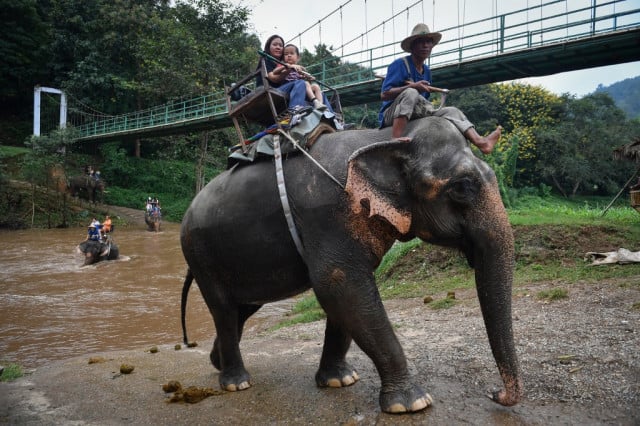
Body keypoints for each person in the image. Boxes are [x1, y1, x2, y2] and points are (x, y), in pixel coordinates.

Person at [379, 23, 502, 154]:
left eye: (428, 42)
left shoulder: (426, 71)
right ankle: (395, 138)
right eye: (421, 42)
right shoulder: (400, 64)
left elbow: (421, 102)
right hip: (392, 114)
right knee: (411, 92)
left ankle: (481, 142)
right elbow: (385, 94)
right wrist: (412, 86)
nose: (425, 46)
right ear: (412, 46)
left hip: (415, 113)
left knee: (452, 111)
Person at [256, 35, 309, 110]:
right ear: (268, 47)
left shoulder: (281, 63)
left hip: (282, 89)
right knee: (300, 83)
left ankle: (329, 115)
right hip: (268, 91)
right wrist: (289, 68)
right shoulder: (266, 60)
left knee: (317, 92)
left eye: (281, 45)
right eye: (275, 44)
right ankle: (294, 110)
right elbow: (273, 78)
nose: (278, 47)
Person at [281, 43, 332, 112]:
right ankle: (315, 101)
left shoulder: (300, 69)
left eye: (292, 53)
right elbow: (281, 73)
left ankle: (320, 105)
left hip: (302, 88)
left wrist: (308, 78)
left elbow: (303, 79)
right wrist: (289, 67)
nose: (289, 55)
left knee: (315, 86)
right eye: (286, 54)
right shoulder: (284, 66)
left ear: (298, 57)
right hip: (293, 87)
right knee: (305, 83)